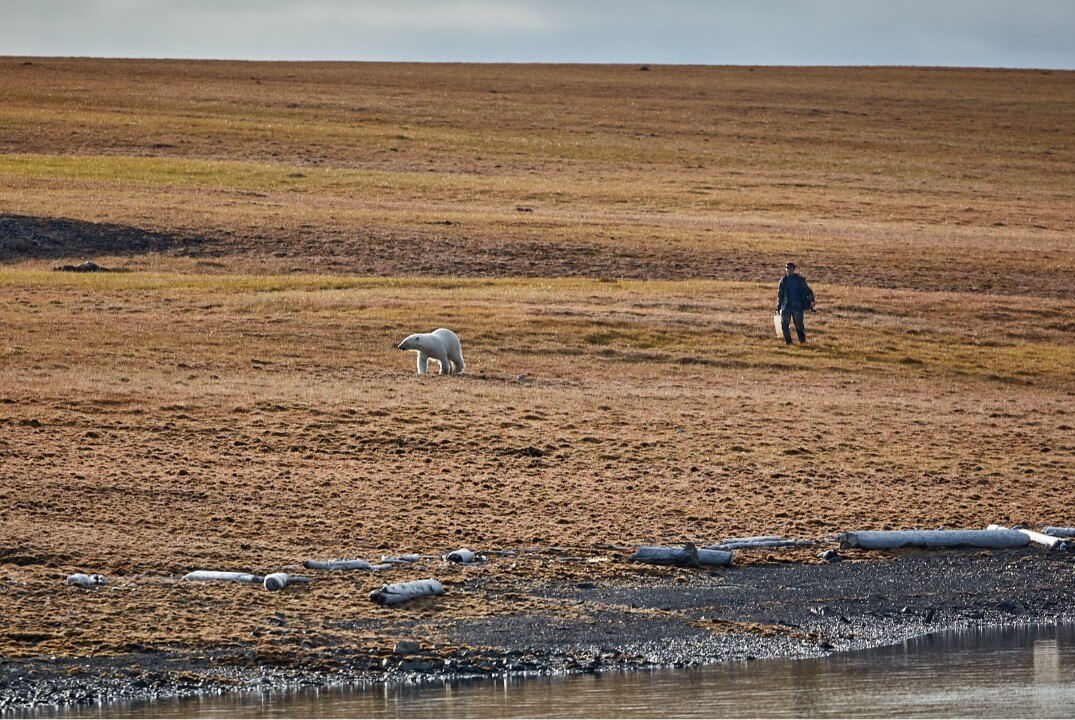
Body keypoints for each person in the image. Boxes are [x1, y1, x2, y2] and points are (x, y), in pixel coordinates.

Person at [776, 262, 815, 345]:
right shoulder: (783, 281)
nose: (789, 270)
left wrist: (811, 301)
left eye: (790, 268)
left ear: (794, 269)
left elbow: (808, 291)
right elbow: (780, 295)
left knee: (799, 325)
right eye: (787, 268)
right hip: (786, 306)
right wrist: (778, 307)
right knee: (784, 324)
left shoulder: (800, 280)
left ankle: (802, 341)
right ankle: (788, 342)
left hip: (797, 306)